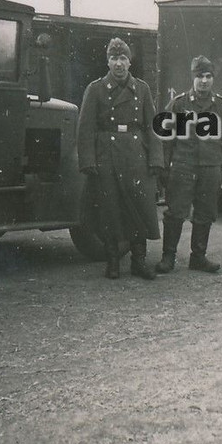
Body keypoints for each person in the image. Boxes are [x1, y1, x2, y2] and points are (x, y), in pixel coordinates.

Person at [77, 37, 162, 280]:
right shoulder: (95, 89)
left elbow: (151, 127)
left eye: (123, 58)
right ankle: (113, 261)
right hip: (107, 155)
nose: (119, 64)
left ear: (129, 60)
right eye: (114, 58)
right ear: (108, 61)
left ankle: (139, 262)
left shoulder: (142, 89)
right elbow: (85, 129)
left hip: (136, 157)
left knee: (139, 208)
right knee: (110, 210)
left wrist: (156, 159)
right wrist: (88, 161)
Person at [156, 56, 222, 274]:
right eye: (200, 76)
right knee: (175, 212)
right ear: (193, 77)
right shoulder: (179, 105)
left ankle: (198, 257)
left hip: (211, 168)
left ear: (213, 79)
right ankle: (168, 257)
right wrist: (164, 168)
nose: (204, 81)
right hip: (183, 167)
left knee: (205, 212)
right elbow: (166, 139)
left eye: (208, 76)